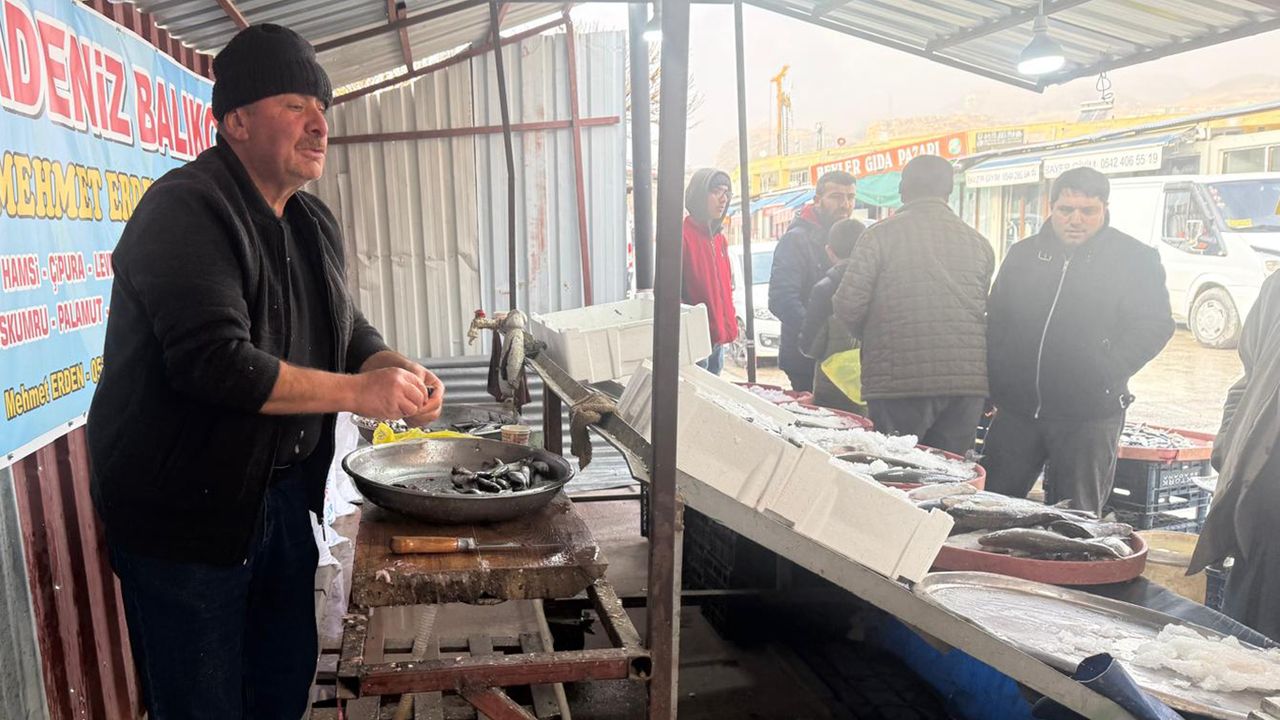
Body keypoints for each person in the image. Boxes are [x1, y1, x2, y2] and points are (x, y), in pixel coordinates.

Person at [87, 24, 445, 719]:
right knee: (202, 706)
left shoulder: (311, 221)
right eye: (295, 104)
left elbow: (345, 328)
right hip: (185, 520)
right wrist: (358, 392)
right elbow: (216, 365)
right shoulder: (186, 208)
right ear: (237, 121)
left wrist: (390, 367)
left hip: (279, 502)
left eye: (323, 109)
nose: (320, 125)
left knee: (279, 693)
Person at [983, 167, 1173, 514]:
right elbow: (997, 320)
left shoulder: (1134, 259)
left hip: (1089, 416)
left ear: (1105, 209)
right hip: (1017, 413)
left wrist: (1106, 369)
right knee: (988, 508)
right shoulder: (1023, 255)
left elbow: (1155, 324)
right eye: (1066, 209)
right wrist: (996, 382)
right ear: (1051, 207)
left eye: (1088, 211)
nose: (1076, 220)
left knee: (1076, 519)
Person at [832, 155, 993, 455]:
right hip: (965, 385)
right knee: (951, 473)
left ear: (903, 190)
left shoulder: (878, 236)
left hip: (898, 383)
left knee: (895, 471)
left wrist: (875, 335)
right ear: (949, 192)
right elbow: (980, 305)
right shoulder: (979, 243)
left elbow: (848, 305)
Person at [1190, 273, 1280, 640]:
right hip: (1261, 514)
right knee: (1245, 646)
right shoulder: (1277, 287)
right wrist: (1228, 448)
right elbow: (1250, 379)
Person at [769, 170, 856, 392]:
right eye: (836, 197)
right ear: (817, 200)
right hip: (806, 360)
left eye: (850, 197)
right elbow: (782, 300)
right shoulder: (796, 239)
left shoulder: (851, 235)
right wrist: (821, 337)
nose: (845, 204)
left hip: (845, 358)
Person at [799, 218, 866, 413]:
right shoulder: (883, 284)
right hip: (874, 387)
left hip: (833, 391)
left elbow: (809, 346)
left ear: (829, 251)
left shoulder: (824, 290)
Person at [681, 168, 736, 375]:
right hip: (695, 340)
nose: (723, 199)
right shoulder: (681, 237)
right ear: (699, 195)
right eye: (716, 191)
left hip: (717, 338)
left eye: (726, 192)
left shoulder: (719, 239)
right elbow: (668, 294)